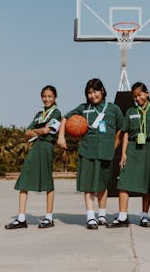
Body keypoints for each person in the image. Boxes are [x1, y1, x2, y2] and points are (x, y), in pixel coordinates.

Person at [57, 78, 124, 230]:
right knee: (88, 185)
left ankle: (102, 215)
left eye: (95, 91)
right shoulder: (83, 108)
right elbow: (65, 118)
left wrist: (114, 145)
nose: (93, 95)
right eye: (89, 93)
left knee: (102, 185)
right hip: (87, 151)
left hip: (105, 153)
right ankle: (90, 217)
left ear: (102, 91)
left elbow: (121, 129)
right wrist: (61, 136)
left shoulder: (113, 109)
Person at [5, 85, 61, 229]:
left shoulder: (56, 113)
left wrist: (38, 130)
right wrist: (39, 130)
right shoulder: (38, 114)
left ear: (55, 97)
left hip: (47, 147)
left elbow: (47, 130)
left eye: (49, 96)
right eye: (44, 96)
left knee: (48, 181)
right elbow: (27, 132)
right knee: (24, 179)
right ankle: (21, 218)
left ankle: (49, 217)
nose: (46, 99)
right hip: (36, 147)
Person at [107, 82, 150, 228]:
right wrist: (123, 153)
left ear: (147, 93)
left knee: (147, 184)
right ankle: (123, 216)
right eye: (135, 96)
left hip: (148, 148)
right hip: (132, 147)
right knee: (123, 182)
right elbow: (124, 133)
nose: (138, 98)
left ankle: (144, 216)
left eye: (140, 95)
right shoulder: (130, 111)